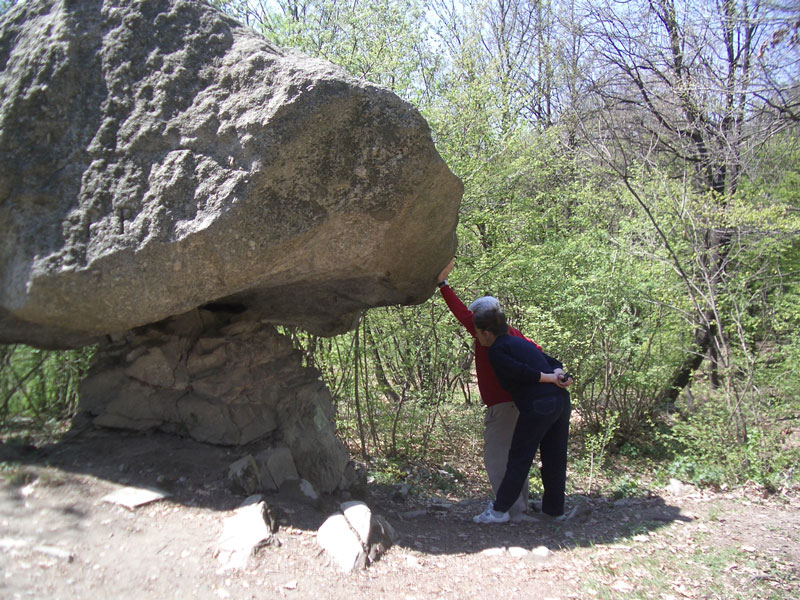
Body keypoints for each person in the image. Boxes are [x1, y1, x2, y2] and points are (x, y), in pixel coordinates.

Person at [436, 258, 538, 520]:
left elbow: (460, 312)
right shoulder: (515, 334)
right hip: (521, 404)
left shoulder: (486, 334)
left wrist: (443, 284)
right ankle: (520, 507)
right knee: (515, 457)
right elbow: (537, 352)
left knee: (496, 458)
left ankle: (508, 510)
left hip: (502, 408)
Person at [471, 308, 573, 524]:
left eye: (478, 333)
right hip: (561, 401)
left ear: (487, 333)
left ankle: (499, 511)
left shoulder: (497, 350)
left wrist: (549, 377)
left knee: (519, 458)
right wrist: (559, 375)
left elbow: (520, 371)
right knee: (554, 457)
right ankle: (554, 511)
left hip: (540, 404)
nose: (478, 339)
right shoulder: (521, 343)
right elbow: (551, 360)